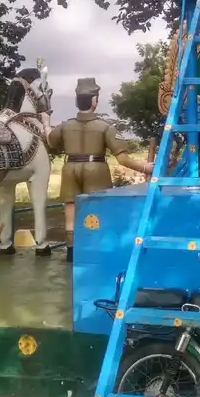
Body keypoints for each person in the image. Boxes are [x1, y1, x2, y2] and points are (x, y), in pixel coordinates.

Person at [44, 78, 154, 262]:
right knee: (97, 211)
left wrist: (46, 122)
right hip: (96, 168)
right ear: (94, 101)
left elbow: (49, 139)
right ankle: (95, 250)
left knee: (70, 212)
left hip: (69, 167)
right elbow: (123, 158)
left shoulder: (65, 126)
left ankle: (72, 252)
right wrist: (144, 166)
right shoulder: (105, 127)